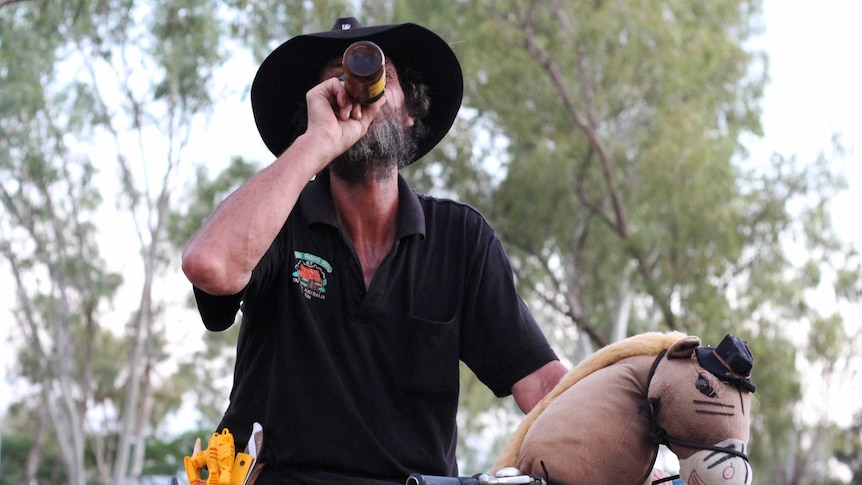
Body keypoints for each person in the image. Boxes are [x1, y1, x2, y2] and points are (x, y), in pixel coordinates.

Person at [181, 17, 568, 485]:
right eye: (335, 83)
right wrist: (316, 144)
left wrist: (621, 438)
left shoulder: (459, 238)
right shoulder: (277, 223)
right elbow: (209, 265)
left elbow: (543, 385)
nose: (356, 93)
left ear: (411, 111)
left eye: (380, 79)